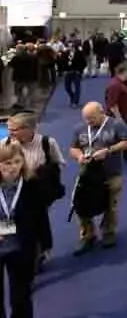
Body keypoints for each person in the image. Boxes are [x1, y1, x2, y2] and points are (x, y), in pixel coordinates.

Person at [70, 101, 127, 254]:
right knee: (80, 205)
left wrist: (108, 150)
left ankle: (108, 232)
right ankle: (87, 235)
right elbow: (73, 148)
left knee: (111, 205)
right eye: (86, 118)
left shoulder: (117, 125)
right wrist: (79, 156)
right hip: (87, 175)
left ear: (101, 112)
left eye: (92, 118)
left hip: (112, 173)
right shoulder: (80, 128)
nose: (88, 122)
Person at [5, 113, 65, 269]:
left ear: (29, 128)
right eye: (9, 129)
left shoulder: (47, 143)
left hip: (36, 194)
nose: (10, 133)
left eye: (14, 129)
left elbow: (58, 163)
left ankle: (36, 256)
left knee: (34, 227)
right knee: (10, 228)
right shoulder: (5, 144)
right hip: (10, 194)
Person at [0, 143, 46, 317]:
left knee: (21, 296)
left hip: (21, 246)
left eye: (17, 161)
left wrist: (45, 244)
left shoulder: (31, 184)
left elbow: (40, 216)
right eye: (7, 163)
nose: (13, 167)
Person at [59, 42, 87, 108]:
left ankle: (75, 102)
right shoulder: (65, 53)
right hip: (68, 72)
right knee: (67, 87)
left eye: (71, 46)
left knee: (77, 87)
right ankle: (72, 97)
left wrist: (79, 70)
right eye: (68, 46)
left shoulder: (80, 53)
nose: (69, 47)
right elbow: (62, 62)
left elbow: (84, 63)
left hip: (76, 72)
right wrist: (64, 70)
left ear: (74, 47)